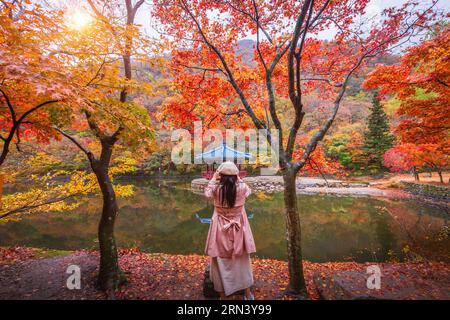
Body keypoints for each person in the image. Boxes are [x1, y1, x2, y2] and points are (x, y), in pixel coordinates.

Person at [204, 161, 256, 300]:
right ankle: (247, 294)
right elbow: (248, 191)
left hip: (220, 229)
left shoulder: (216, 188)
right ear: (236, 175)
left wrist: (214, 179)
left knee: (220, 261)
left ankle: (223, 296)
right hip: (239, 229)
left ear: (220, 174)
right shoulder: (242, 187)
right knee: (242, 260)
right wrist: (238, 178)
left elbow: (207, 193)